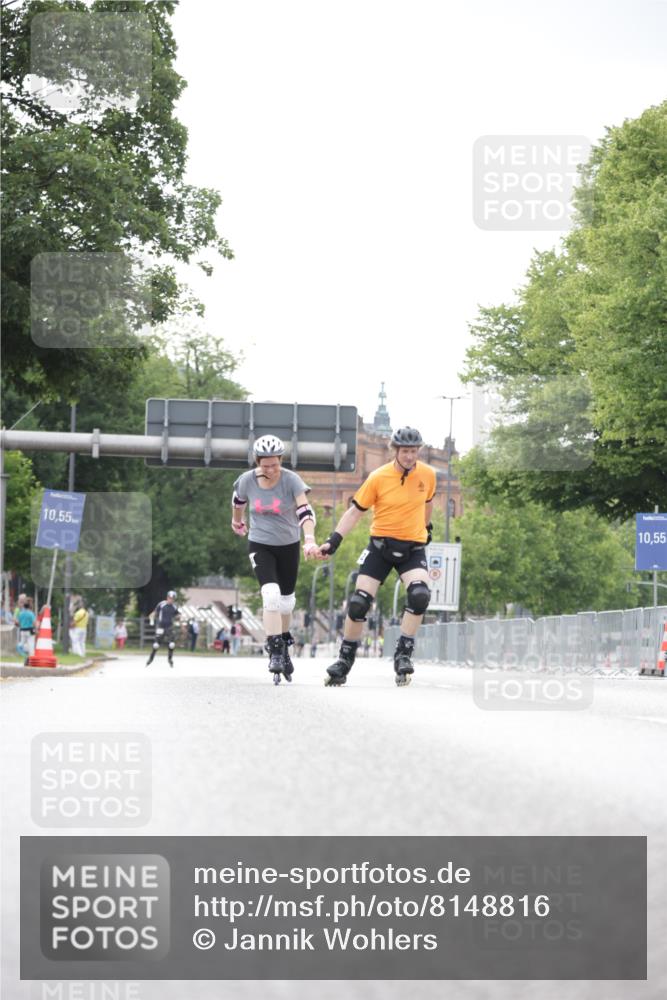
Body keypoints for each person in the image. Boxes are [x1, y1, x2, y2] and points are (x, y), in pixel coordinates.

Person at [317, 426, 436, 687]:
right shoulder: (378, 477)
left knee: (419, 595)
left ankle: (403, 654)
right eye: (405, 451)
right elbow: (354, 512)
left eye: (414, 451)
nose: (409, 456)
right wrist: (333, 541)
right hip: (380, 547)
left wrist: (425, 530)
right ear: (395, 451)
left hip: (412, 548)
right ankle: (344, 660)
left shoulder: (427, 475)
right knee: (359, 602)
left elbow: (427, 503)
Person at [231, 434, 319, 684]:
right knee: (269, 594)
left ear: (281, 460)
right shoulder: (247, 480)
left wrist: (309, 539)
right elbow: (238, 501)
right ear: (257, 461)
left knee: (286, 603)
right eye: (265, 464)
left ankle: (283, 639)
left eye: (274, 464)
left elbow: (305, 510)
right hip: (260, 543)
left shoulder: (292, 481)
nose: (270, 469)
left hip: (288, 544)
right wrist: (237, 520)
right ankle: (275, 649)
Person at [145, 591, 181, 668]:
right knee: (156, 645)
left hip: (169, 627)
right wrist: (152, 616)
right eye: (170, 598)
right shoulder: (161, 604)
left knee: (172, 644)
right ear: (167, 597)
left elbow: (177, 614)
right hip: (161, 626)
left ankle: (170, 659)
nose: (171, 600)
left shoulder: (174, 607)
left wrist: (179, 616)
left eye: (172, 599)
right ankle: (150, 659)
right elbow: (154, 612)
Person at [16, 597, 36, 661]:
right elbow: (34, 623)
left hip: (22, 631)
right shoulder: (31, 613)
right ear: (30, 605)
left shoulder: (21, 613)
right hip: (30, 630)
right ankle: (31, 658)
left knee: (22, 643)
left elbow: (18, 623)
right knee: (31, 644)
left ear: (24, 606)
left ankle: (24, 654)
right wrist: (37, 629)